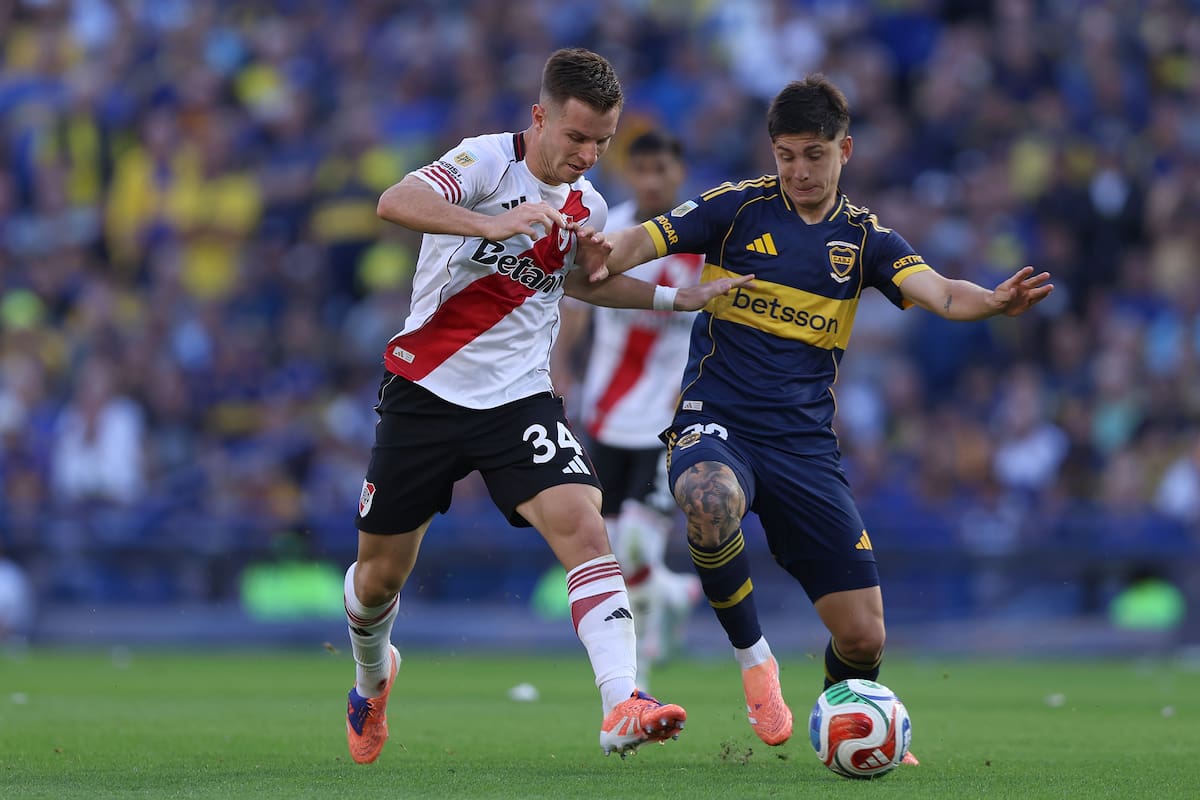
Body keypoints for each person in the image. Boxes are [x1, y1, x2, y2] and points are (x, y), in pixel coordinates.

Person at [599, 75, 1053, 757]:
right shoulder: (736, 209)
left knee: (864, 635)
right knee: (706, 496)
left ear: (846, 150)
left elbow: (938, 292)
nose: (799, 170)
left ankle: (845, 716)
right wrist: (606, 249)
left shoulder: (864, 238)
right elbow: (643, 239)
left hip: (804, 447)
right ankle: (758, 665)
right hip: (715, 418)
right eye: (786, 154)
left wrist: (990, 300)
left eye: (814, 154)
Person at [341, 48, 752, 765]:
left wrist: (671, 297)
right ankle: (372, 677)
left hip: (519, 401)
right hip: (426, 392)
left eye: (602, 141)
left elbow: (580, 283)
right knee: (378, 580)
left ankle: (623, 699)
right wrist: (488, 225)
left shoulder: (586, 203)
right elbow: (394, 201)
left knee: (586, 530)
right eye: (577, 137)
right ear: (541, 118)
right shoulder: (483, 163)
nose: (589, 156)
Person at [554, 130, 703, 691]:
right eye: (640, 169)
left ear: (677, 173)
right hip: (609, 410)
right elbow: (577, 306)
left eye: (660, 169)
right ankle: (671, 593)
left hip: (667, 416)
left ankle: (638, 667)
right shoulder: (610, 231)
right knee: (613, 546)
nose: (650, 180)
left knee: (637, 542)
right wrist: (562, 370)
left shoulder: (701, 239)